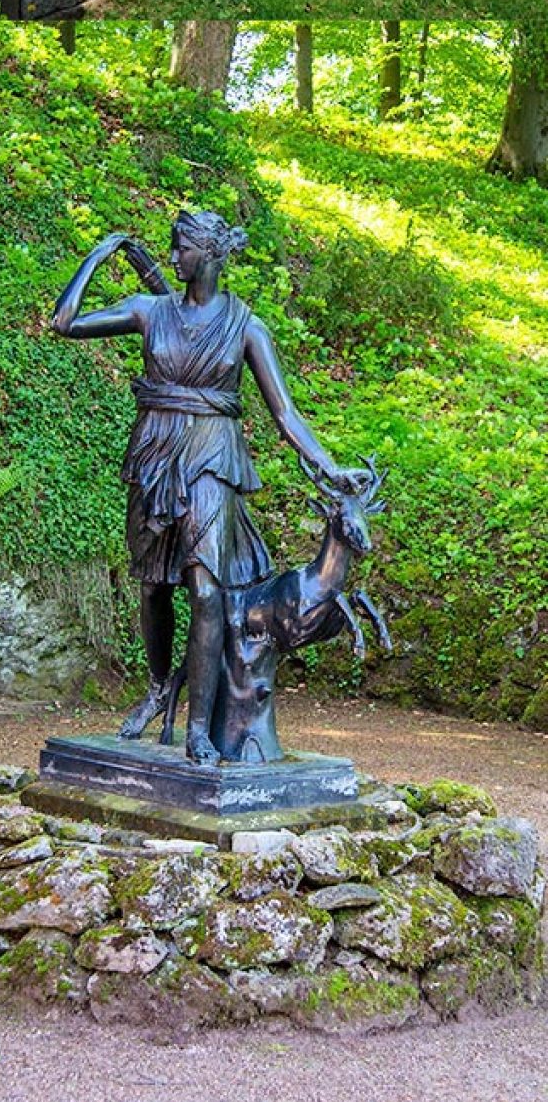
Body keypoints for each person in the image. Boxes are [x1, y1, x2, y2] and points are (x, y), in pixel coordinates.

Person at [52, 205, 365, 767]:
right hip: (154, 452)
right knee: (152, 585)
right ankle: (155, 686)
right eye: (170, 248)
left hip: (214, 457)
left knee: (205, 592)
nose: (172, 258)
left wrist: (330, 467)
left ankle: (198, 727)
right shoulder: (150, 310)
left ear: (210, 254)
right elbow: (65, 323)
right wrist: (96, 258)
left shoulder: (246, 326)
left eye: (182, 249)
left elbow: (286, 415)